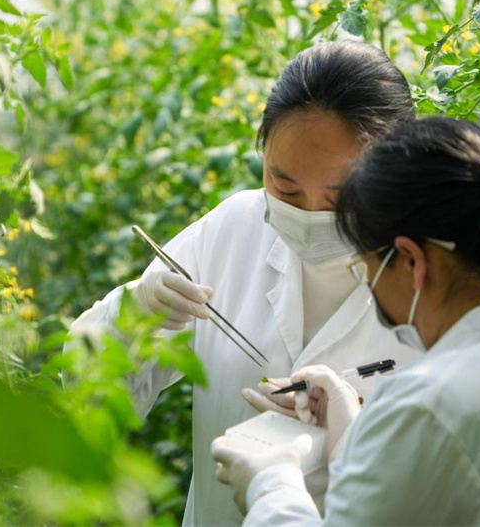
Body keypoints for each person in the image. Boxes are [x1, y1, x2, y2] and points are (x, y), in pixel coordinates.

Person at [64, 41, 423, 526]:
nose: (311, 213)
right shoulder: (234, 230)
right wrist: (132, 316)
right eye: (285, 187)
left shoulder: (436, 279)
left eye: (341, 195)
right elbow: (90, 392)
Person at [212, 117, 480, 526]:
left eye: (368, 266)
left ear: (411, 260)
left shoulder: (429, 407)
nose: (370, 284)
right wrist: (351, 434)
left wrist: (270, 483)